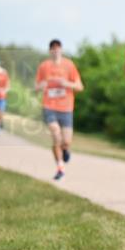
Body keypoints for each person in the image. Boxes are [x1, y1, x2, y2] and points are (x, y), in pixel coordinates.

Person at [35, 39, 84, 180]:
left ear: (61, 49)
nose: (55, 50)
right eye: (53, 48)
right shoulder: (44, 66)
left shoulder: (69, 65)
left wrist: (66, 83)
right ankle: (60, 167)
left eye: (58, 48)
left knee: (66, 141)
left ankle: (66, 149)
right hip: (49, 106)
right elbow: (36, 87)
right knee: (56, 134)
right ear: (50, 51)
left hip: (66, 107)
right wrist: (42, 85)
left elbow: (80, 87)